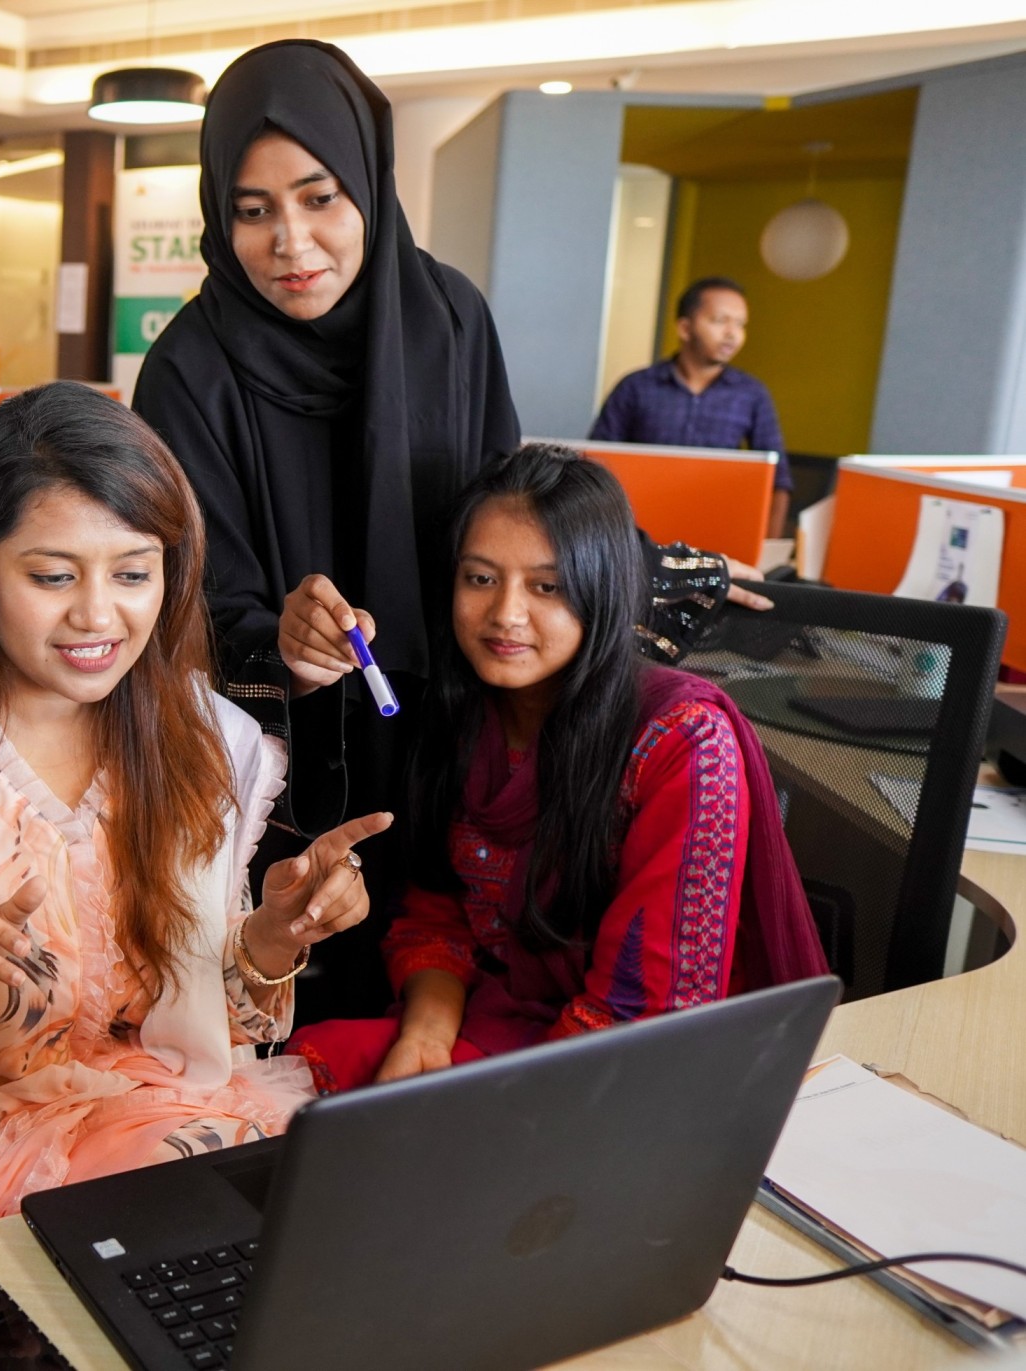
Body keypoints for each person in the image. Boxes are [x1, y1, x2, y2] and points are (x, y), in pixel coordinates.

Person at [131, 39, 762, 1019]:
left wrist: (637, 562)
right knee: (309, 1034)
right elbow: (183, 613)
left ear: (369, 189)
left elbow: (502, 502)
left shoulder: (448, 322)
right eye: (253, 212)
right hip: (280, 779)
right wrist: (282, 646)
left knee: (439, 999)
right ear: (220, 215)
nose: (291, 243)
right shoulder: (187, 374)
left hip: (449, 750)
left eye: (319, 197)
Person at [0, 381, 387, 1247]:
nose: (97, 614)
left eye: (133, 573)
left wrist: (273, 936)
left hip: (160, 1110)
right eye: (51, 575)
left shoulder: (197, 742)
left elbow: (200, 1024)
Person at [285, 446, 828, 1093]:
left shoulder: (683, 741)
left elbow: (647, 1009)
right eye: (480, 578)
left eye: (548, 586)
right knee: (313, 1069)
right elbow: (438, 917)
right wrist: (425, 1037)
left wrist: (478, 1112)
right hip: (508, 1019)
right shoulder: (466, 713)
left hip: (639, 1065)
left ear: (602, 589)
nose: (506, 615)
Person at [591, 277, 791, 536]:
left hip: (718, 532)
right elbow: (596, 466)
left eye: (741, 324)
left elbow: (778, 480)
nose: (733, 334)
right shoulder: (636, 387)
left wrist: (768, 549)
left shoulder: (752, 394)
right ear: (685, 328)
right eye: (720, 321)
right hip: (638, 532)